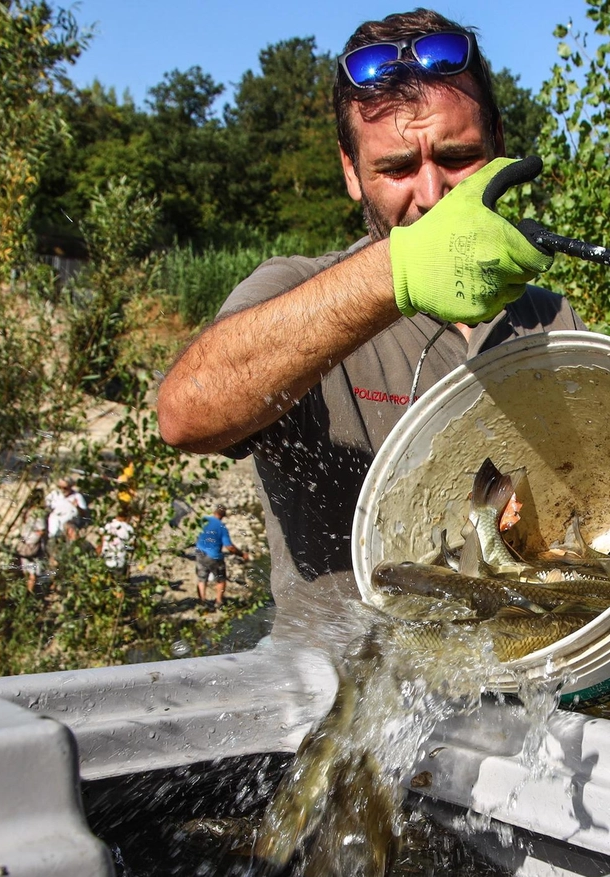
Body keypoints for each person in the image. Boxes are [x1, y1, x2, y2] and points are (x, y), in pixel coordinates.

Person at [156, 10, 584, 631]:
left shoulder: (547, 316)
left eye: (459, 157)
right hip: (353, 710)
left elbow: (598, 477)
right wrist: (398, 273)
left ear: (497, 145)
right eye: (398, 168)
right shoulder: (295, 290)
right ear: (351, 172)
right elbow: (185, 412)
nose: (433, 194)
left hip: (526, 695)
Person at [194, 506, 248, 611]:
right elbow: (229, 547)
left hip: (200, 553)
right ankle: (218, 602)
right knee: (220, 579)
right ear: (223, 515)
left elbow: (197, 533)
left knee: (202, 578)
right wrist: (242, 554)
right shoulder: (221, 527)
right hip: (214, 556)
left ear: (214, 512)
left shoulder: (203, 520)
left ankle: (202, 602)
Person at [98, 506, 136, 580]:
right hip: (119, 561)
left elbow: (102, 539)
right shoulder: (128, 529)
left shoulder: (107, 525)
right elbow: (131, 546)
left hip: (106, 559)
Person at [45, 477, 87, 543]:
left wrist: (77, 507)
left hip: (69, 522)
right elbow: (45, 505)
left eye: (65, 488)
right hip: (55, 520)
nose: (62, 490)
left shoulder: (77, 496)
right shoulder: (55, 494)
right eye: (60, 487)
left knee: (71, 530)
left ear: (70, 487)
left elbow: (84, 514)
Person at [17, 515, 50, 594]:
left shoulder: (26, 569)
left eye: (30, 583)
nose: (31, 582)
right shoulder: (39, 571)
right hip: (34, 546)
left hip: (29, 546)